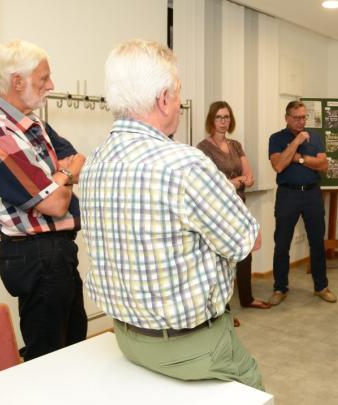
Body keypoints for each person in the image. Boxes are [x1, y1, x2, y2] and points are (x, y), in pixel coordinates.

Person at [79, 39, 265, 390]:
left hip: (126, 337)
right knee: (253, 386)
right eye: (178, 95)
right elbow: (248, 241)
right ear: (163, 98)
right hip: (193, 348)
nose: (180, 104)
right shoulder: (185, 164)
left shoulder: (93, 163)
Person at [0, 39, 87, 361]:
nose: (52, 85)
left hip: (56, 251)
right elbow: (55, 203)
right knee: (48, 356)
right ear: (17, 81)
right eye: (44, 78)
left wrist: (60, 178)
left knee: (73, 342)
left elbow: (75, 159)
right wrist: (64, 176)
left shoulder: (33, 125)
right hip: (36, 255)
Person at [197, 101, 271, 327]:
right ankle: (223, 310)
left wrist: (245, 180)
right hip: (218, 209)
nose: (223, 121)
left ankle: (247, 298)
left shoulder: (236, 145)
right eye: (219, 117)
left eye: (227, 117)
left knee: (245, 251)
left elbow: (248, 175)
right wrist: (237, 181)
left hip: (238, 205)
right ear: (211, 120)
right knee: (222, 259)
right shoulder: (203, 148)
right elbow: (210, 183)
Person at [267, 100, 336, 305]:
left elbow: (323, 165)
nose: (301, 121)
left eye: (304, 117)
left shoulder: (315, 137)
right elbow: (279, 165)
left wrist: (300, 159)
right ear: (287, 117)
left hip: (313, 195)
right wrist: (296, 142)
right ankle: (280, 288)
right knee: (282, 243)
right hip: (288, 195)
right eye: (297, 117)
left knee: (317, 242)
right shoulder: (277, 138)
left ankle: (321, 286)